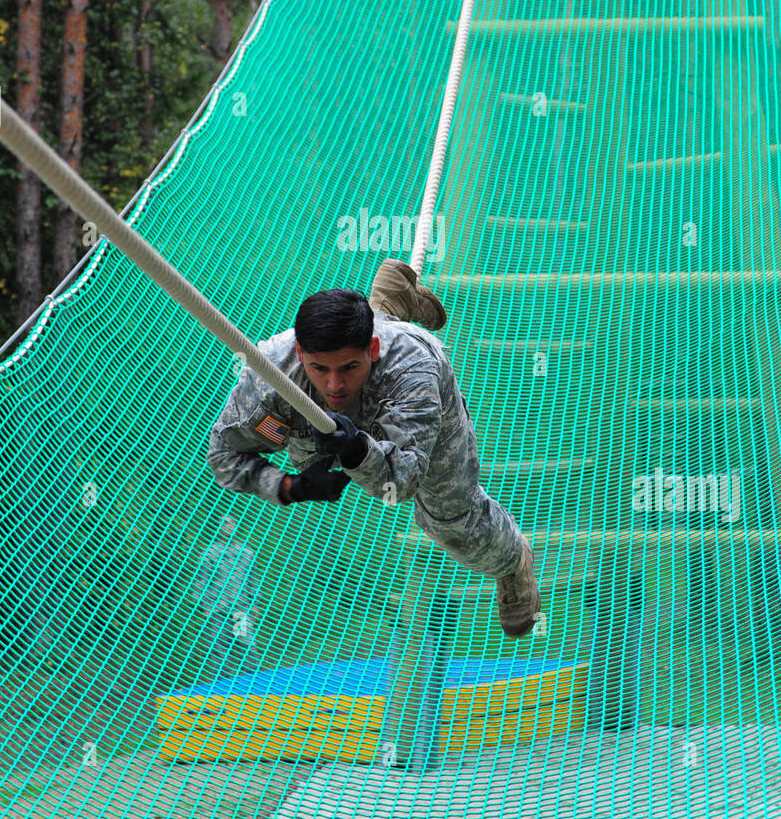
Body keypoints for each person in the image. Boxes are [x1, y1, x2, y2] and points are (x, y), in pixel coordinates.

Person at [206, 258, 540, 638]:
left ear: (373, 349)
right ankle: (388, 301)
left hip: (399, 410)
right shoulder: (271, 380)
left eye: (349, 367)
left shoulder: (415, 370)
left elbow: (403, 483)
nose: (334, 385)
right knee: (309, 428)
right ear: (300, 354)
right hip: (325, 425)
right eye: (320, 368)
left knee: (449, 514)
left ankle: (511, 560)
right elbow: (223, 455)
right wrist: (289, 487)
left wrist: (357, 452)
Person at [190, 513, 264, 681]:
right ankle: (220, 686)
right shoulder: (209, 554)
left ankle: (252, 682)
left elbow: (253, 578)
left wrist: (255, 603)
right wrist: (205, 605)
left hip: (240, 609)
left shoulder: (245, 552)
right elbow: (202, 580)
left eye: (231, 524)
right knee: (218, 647)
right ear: (218, 529)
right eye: (224, 524)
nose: (228, 527)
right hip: (217, 610)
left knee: (246, 643)